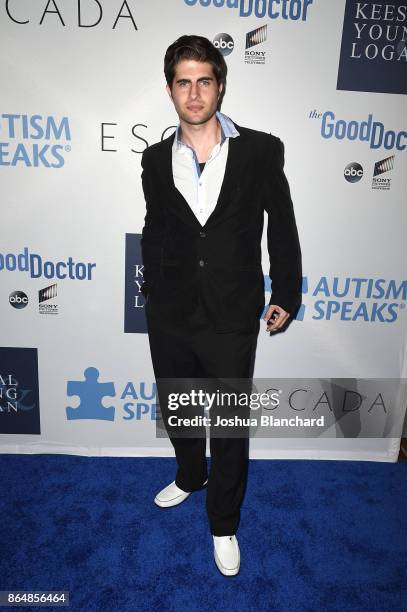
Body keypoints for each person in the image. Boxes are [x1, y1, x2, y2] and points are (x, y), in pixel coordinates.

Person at [140, 35, 302, 576]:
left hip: (233, 313)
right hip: (172, 313)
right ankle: (189, 475)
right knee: (180, 408)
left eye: (203, 80)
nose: (194, 92)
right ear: (170, 90)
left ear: (220, 86)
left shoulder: (260, 150)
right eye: (183, 82)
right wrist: (156, 292)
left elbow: (281, 224)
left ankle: (224, 522)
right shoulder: (154, 158)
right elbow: (156, 226)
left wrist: (286, 290)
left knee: (230, 424)